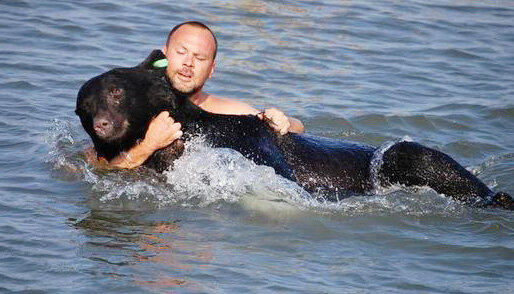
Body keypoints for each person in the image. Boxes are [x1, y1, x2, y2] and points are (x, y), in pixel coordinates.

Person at [86, 21, 304, 169]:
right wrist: (148, 146)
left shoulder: (223, 110)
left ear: (211, 70)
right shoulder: (133, 107)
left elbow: (298, 129)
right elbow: (94, 170)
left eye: (200, 59)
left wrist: (283, 121)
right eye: (181, 53)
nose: (188, 63)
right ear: (164, 55)